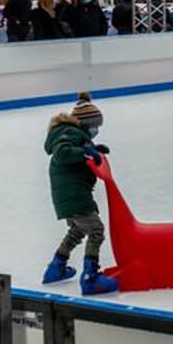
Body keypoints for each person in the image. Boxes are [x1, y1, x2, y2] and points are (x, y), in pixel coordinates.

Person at [41, 93, 118, 295]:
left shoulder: (72, 134)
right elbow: (63, 153)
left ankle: (55, 268)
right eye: (95, 126)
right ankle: (90, 278)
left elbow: (75, 149)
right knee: (96, 230)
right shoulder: (69, 133)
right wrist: (86, 152)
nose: (96, 130)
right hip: (74, 195)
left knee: (77, 230)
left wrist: (93, 148)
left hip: (70, 195)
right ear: (85, 124)